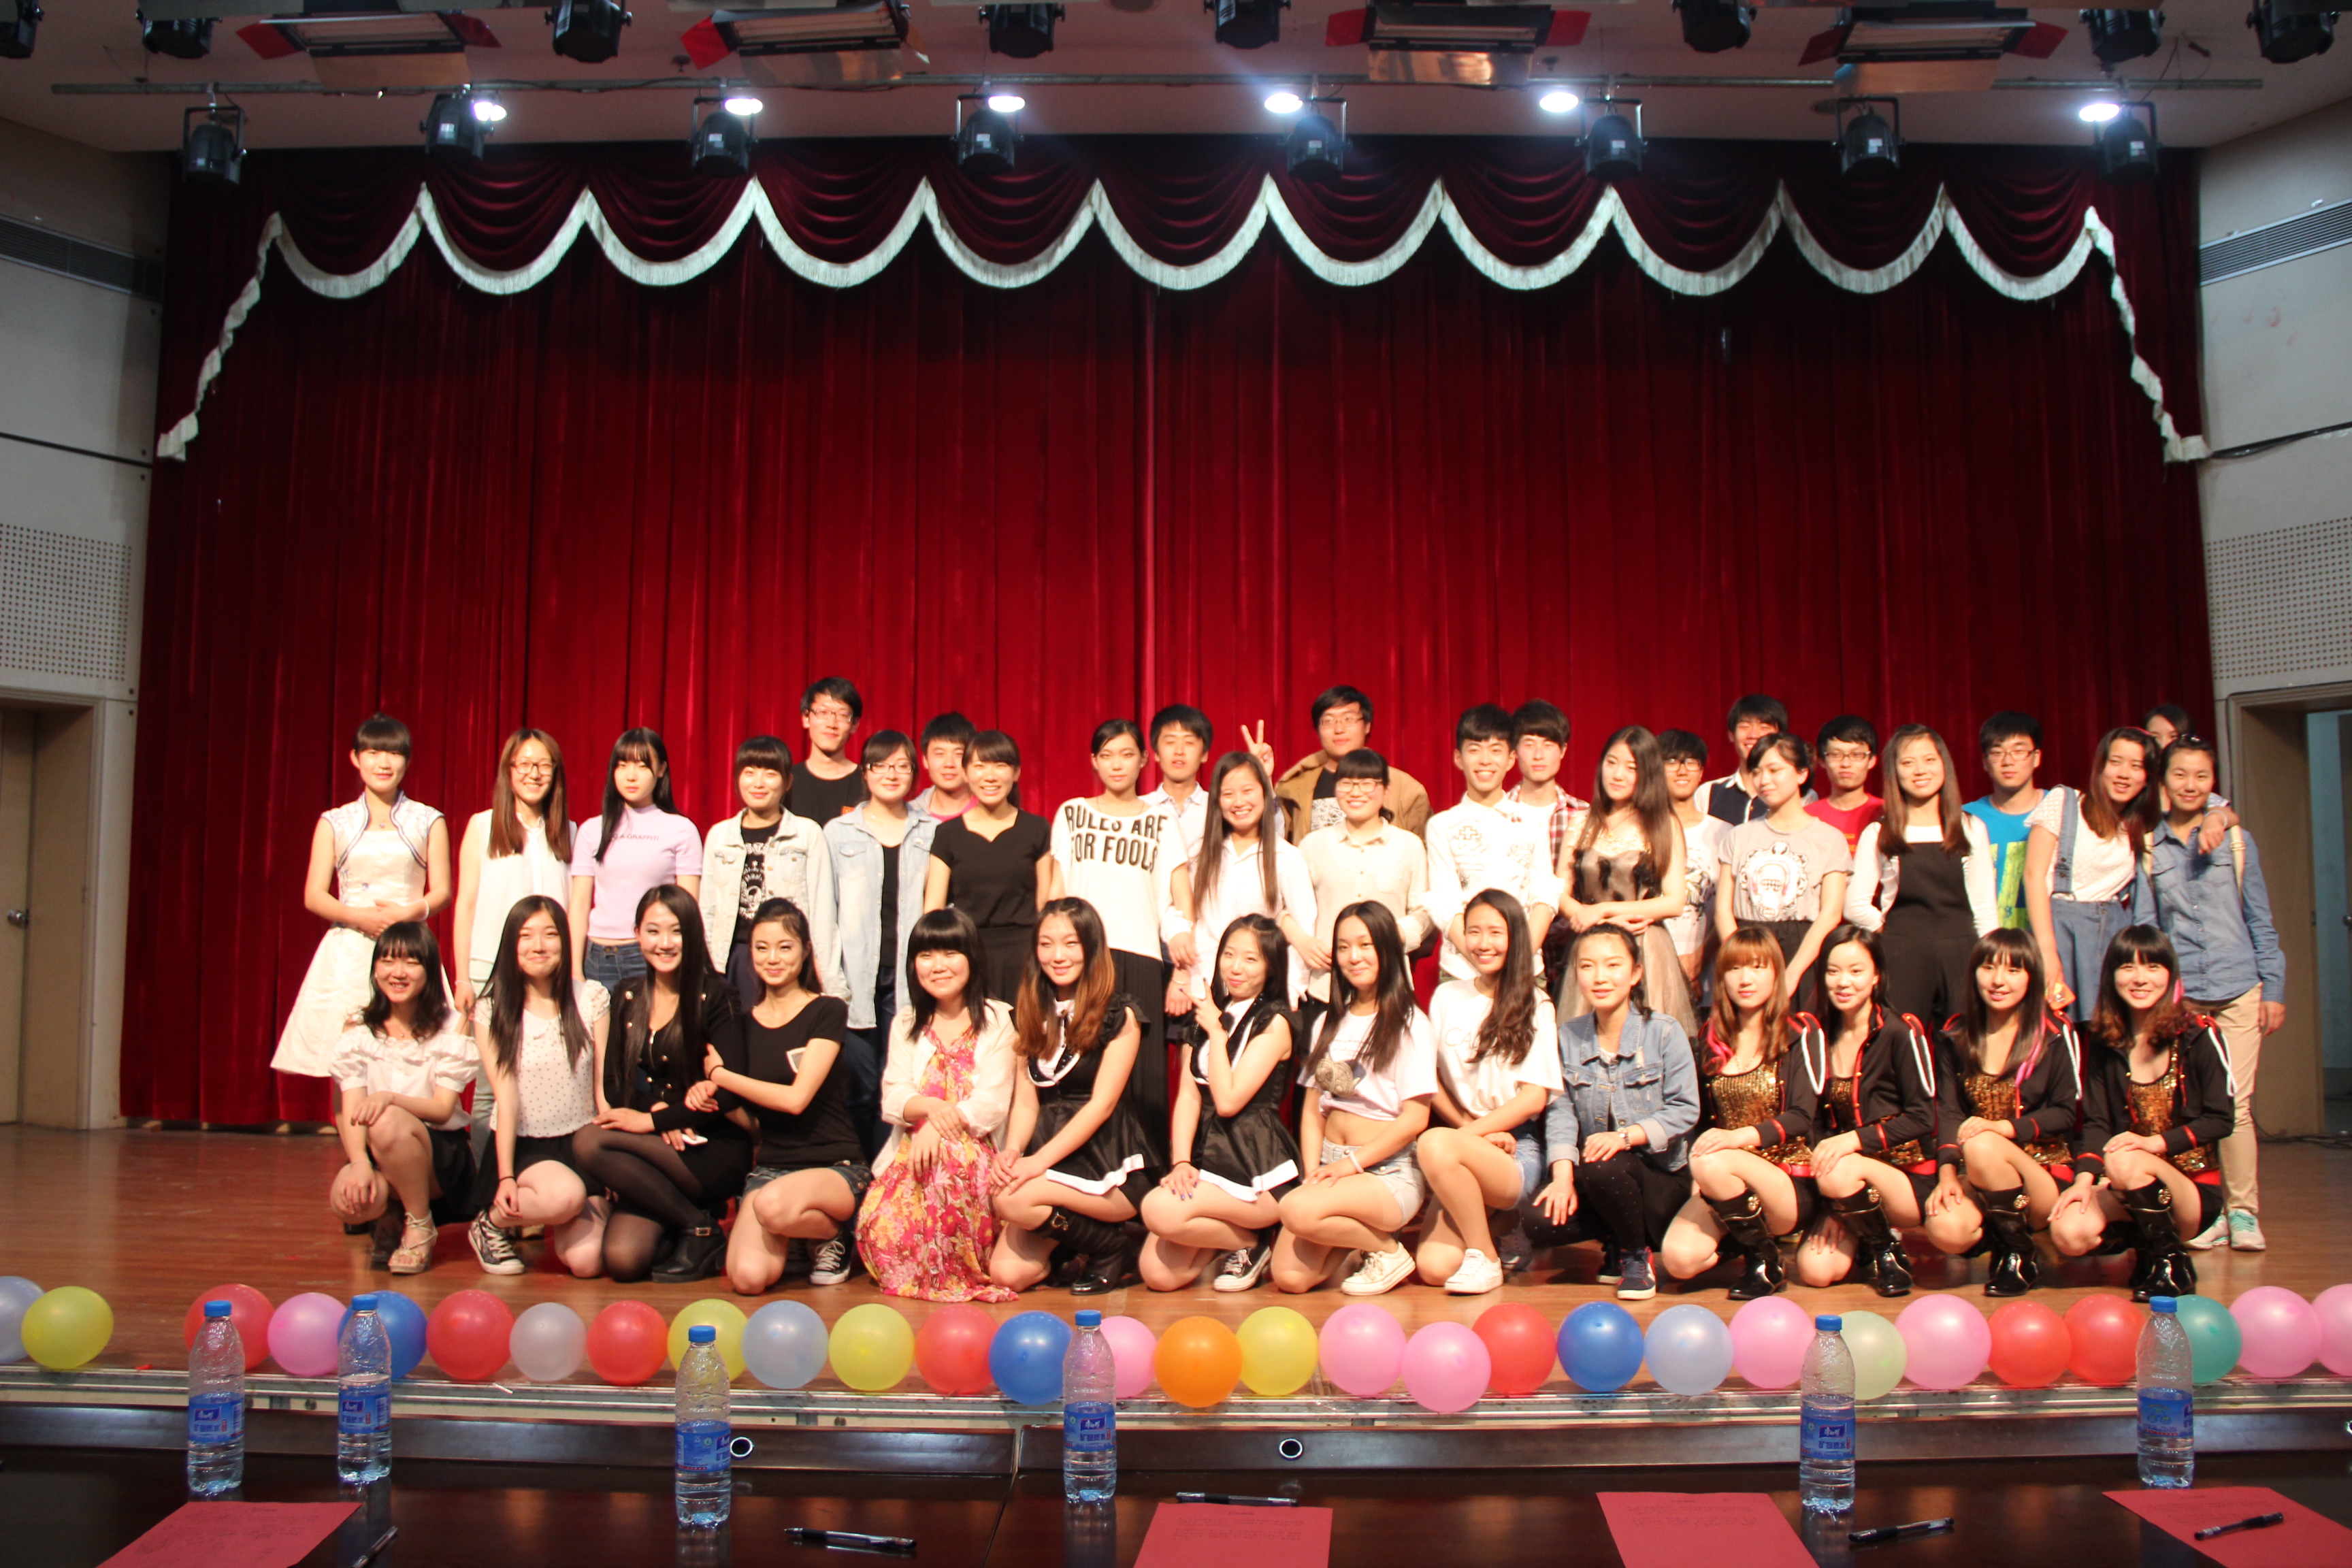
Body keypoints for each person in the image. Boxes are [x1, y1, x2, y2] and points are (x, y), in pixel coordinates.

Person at [2133, 734, 2285, 1254]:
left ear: (2213, 782)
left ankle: (2243, 1213)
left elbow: (2260, 920)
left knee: (2235, 1105)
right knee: (2189, 1109)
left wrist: (2274, 987)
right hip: (2183, 998)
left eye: (2201, 775)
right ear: (2163, 781)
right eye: (2180, 774)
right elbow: (2148, 928)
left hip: (2238, 988)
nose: (2190, 784)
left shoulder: (2237, 841)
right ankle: (2206, 1209)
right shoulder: (2149, 846)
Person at [572, 885, 751, 1284]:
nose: (664, 943)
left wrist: (654, 1121)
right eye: (653, 931)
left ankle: (696, 1225)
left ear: (693, 933)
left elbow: (729, 1093)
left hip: (710, 1148)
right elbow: (615, 1087)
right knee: (624, 1261)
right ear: (637, 934)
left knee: (590, 1141)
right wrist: (656, 1111)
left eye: (676, 931)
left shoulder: (717, 997)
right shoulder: (628, 994)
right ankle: (694, 1223)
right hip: (657, 1150)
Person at [2049, 926, 2236, 1301]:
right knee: (2069, 1232)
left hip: (2192, 1188)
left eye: (2152, 967)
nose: (2140, 978)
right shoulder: (2103, 1041)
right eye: (2128, 967)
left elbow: (2221, 1118)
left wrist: (2154, 1144)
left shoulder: (2199, 1034)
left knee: (2125, 1157)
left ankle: (2174, 1264)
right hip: (2124, 1178)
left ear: (2170, 974)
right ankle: (2149, 1253)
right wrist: (2083, 1182)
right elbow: (2098, 1124)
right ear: (2112, 976)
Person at [274, 715, 452, 1099]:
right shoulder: (335, 822)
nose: (383, 762)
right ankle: (354, 1140)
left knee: (411, 1051)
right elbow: (314, 895)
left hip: (407, 947)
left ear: (407, 760)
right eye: (373, 752)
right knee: (347, 1060)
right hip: (350, 950)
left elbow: (442, 892)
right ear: (356, 758)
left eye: (394, 753)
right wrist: (360, 918)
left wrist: (407, 913)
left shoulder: (428, 820)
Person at [987, 899, 1156, 1294]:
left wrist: (1037, 1163)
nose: (1057, 956)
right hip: (1049, 1166)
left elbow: (1102, 1105)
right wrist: (1013, 1152)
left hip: (1107, 1167)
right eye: (1046, 945)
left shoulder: (1120, 1014)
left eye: (1070, 943)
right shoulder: (1031, 1012)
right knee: (1007, 1275)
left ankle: (1112, 1247)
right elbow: (1026, 1102)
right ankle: (1080, 1243)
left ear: (1091, 948)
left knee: (1011, 1200)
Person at [1271, 902, 1439, 1297]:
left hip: (1386, 1173)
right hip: (1332, 1164)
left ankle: (1388, 1250)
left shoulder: (1411, 1023)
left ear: (1387, 949)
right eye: (1343, 947)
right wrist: (1312, 1171)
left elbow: (1416, 1119)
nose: (1353, 957)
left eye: (1365, 945)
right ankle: (1363, 1239)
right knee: (1291, 1278)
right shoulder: (1330, 1020)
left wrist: (1351, 1166)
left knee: (1295, 1209)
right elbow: (1312, 1108)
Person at [1531, 923, 1701, 1301]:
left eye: (1613, 965)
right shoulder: (1567, 1036)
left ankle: (1636, 1256)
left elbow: (1685, 1109)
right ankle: (1616, 1235)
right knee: (1536, 1222)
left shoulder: (1665, 1032)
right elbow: (1560, 1112)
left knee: (1604, 1164)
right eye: (1587, 966)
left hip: (1660, 1178)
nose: (1600, 977)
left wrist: (1625, 1137)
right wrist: (1562, 1176)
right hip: (1600, 1175)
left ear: (1635, 972)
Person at [858, 909, 1019, 1303]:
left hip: (975, 1149)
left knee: (949, 1159)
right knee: (879, 1230)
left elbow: (992, 1103)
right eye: (926, 955)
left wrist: (939, 1124)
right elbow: (894, 1096)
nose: (938, 966)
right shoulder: (907, 1022)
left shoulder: (999, 1019)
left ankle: (956, 1267)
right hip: (911, 1150)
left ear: (971, 958)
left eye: (950, 953)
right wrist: (930, 1109)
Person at [1659, 927, 1827, 1300]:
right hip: (1722, 1177)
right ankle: (1752, 1241)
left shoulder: (1800, 1032)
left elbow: (1802, 1117)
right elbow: (1701, 1120)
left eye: (1756, 967)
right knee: (1679, 1261)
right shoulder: (1710, 1037)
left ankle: (1763, 1262)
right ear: (1722, 979)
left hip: (1786, 1178)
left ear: (1776, 974)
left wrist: (1735, 1140)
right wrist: (1701, 1177)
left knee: (1712, 1158)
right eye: (1734, 969)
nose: (1745, 979)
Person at [709, 900, 865, 1294]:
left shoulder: (827, 1010)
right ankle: (800, 1233)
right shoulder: (742, 1024)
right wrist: (711, 1093)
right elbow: (750, 1118)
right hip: (772, 1168)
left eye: (785, 947)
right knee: (747, 1278)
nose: (773, 958)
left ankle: (832, 1234)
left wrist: (723, 1077)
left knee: (771, 1206)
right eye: (762, 948)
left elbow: (796, 1099)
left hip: (834, 1166)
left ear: (806, 950)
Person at [1139, 915, 1300, 1293]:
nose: (1236, 967)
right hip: (1207, 1159)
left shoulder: (1275, 1022)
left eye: (1251, 959)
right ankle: (1244, 1241)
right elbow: (1188, 1097)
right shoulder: (1209, 1012)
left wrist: (1216, 1031)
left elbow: (1227, 1101)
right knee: (1158, 1274)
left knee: (1158, 1209)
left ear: (1271, 966)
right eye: (1229, 954)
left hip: (1257, 1167)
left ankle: (1258, 1236)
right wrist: (1182, 1162)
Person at [1414, 889, 1561, 1294]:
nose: (1483, 943)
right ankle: (1505, 1227)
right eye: (1474, 931)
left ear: (1515, 937)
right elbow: (1430, 1079)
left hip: (1515, 1148)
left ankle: (1486, 1257)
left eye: (1496, 932)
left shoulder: (1536, 1002)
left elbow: (1533, 1098)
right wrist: (1471, 1132)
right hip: (1463, 1140)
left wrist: (1469, 1137)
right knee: (1434, 1268)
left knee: (1434, 1144)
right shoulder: (1447, 996)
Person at [1924, 929, 2082, 1297]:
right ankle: (2005, 1239)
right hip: (1978, 1169)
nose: (1998, 980)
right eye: (1989, 968)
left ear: (2032, 977)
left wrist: (2003, 1129)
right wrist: (1946, 1174)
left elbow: (2065, 1113)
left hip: (2042, 1170)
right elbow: (1948, 1112)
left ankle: (2019, 1255)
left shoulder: (2055, 1032)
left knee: (1982, 1143)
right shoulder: (1956, 1033)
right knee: (1946, 1227)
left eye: (2013, 970)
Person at [1791, 926, 1940, 1297]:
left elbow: (1923, 1117)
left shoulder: (1900, 1032)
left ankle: (1888, 1253)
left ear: (1876, 976)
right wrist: (1833, 1207)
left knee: (1839, 1168)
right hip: (1841, 1182)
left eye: (1856, 971)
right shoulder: (1816, 1035)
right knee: (1815, 1271)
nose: (1844, 982)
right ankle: (1866, 1235)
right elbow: (1813, 1122)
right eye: (1833, 971)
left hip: (1903, 1175)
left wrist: (1853, 1142)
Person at [470, 896, 612, 1278]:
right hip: (526, 1146)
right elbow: (506, 1097)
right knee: (565, 1196)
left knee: (587, 1263)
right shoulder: (491, 1010)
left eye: (550, 934)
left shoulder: (591, 998)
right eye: (526, 935)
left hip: (582, 1143)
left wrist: (612, 1161)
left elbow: (602, 1090)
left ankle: (556, 1211)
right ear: (511, 944)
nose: (538, 945)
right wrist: (505, 1176)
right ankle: (491, 1223)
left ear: (565, 941)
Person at [327, 922, 476, 1275]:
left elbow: (442, 1110)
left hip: (437, 1155)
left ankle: (420, 1225)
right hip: (380, 1149)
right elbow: (351, 1107)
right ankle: (392, 1213)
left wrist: (389, 1098)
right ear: (375, 968)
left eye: (411, 962)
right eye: (388, 961)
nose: (398, 972)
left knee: (386, 1120)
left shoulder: (452, 1025)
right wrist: (359, 1162)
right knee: (348, 1203)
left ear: (429, 969)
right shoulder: (358, 1028)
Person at [1051, 720, 1175, 1124]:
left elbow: (1178, 900)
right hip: (1082, 957)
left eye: (1126, 755)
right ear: (1094, 761)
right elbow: (1056, 893)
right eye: (1106, 756)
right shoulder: (1072, 813)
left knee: (1143, 1079)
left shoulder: (1162, 819)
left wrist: (1183, 969)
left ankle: (1145, 1162)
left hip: (1141, 956)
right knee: (1082, 1070)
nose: (1117, 764)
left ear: (1144, 759)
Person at [824, 730, 936, 1158]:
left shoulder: (932, 831)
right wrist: (831, 979)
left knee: (902, 1088)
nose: (892, 774)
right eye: (881, 765)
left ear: (914, 773)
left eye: (902, 766)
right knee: (860, 1088)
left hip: (912, 978)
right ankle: (856, 1177)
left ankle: (892, 1184)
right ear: (865, 772)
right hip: (855, 979)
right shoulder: (838, 833)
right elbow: (824, 911)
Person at [1844, 725, 1997, 1022]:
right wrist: (1893, 932)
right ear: (1895, 771)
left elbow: (1985, 909)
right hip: (1902, 956)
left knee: (1961, 1040)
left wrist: (1990, 962)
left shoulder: (1970, 827)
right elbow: (1854, 905)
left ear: (1944, 764)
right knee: (1902, 1037)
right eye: (1908, 762)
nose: (1920, 771)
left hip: (1963, 954)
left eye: (1929, 760)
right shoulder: (1880, 832)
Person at [1557, 725, 1693, 1037]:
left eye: (1631, 768)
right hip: (1591, 944)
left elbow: (1675, 902)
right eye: (1612, 763)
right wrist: (1592, 920)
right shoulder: (1581, 822)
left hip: (1643, 944)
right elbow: (1560, 893)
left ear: (1647, 774)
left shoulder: (1663, 824)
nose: (1618, 774)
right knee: (1586, 1043)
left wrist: (1605, 912)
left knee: (1647, 1042)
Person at [699, 734, 843, 1011]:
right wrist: (705, 973)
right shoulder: (719, 835)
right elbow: (708, 911)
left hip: (787, 960)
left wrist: (831, 985)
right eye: (750, 772)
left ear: (787, 782)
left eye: (770, 773)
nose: (758, 783)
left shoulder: (806, 833)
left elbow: (823, 913)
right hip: (733, 958)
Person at [2023, 727, 2156, 1022]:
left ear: (2147, 777)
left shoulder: (2142, 825)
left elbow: (2202, 804)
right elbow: (2033, 876)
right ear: (2101, 766)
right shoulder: (2066, 802)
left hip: (2113, 934)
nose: (2124, 774)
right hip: (2061, 931)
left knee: (2110, 1030)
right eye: (2116, 762)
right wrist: (2048, 953)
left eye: (2136, 766)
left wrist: (2221, 815)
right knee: (2057, 1027)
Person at [1425, 704, 1563, 985]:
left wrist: (1518, 960)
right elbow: (1444, 903)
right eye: (1475, 750)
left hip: (1524, 969)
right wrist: (1483, 960)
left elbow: (1544, 896)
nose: (1485, 760)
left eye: (1496, 750)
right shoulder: (1442, 825)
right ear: (1458, 758)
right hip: (1462, 971)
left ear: (1511, 759)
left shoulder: (1533, 821)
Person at [1296, 748, 1430, 1034]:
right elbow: (1286, 907)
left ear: (1386, 790)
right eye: (1347, 783)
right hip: (1325, 986)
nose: (1356, 792)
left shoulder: (1409, 846)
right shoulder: (1313, 845)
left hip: (1389, 985)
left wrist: (1393, 935)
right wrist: (1303, 941)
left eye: (1367, 783)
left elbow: (1424, 911)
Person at [1168, 751, 1318, 1006]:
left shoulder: (1286, 856)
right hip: (1201, 988)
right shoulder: (1199, 853)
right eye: (1228, 794)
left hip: (1261, 994)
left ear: (1264, 792)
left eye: (1248, 791)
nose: (1239, 802)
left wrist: (1290, 990)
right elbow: (1178, 911)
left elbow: (1304, 929)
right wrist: (1181, 960)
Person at [1714, 734, 1849, 1009]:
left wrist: (1793, 973)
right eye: (1757, 772)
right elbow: (1723, 910)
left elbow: (1830, 914)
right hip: (1747, 945)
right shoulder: (1738, 836)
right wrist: (1741, 961)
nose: (1764, 780)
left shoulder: (1830, 839)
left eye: (1775, 770)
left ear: (1802, 774)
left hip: (1802, 950)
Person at [451, 728, 572, 1018]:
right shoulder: (482, 827)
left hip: (551, 972)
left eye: (544, 765)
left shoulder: (571, 832)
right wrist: (463, 978)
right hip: (490, 970)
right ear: (509, 769)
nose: (535, 774)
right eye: (525, 764)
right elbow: (466, 906)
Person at [569, 728, 702, 992]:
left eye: (642, 766)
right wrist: (574, 970)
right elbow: (580, 904)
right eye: (622, 765)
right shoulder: (591, 829)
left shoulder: (681, 829)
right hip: (598, 957)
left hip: (650, 955)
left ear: (661, 769)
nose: (631, 776)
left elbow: (688, 907)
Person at [926, 731, 1055, 1002]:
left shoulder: (1037, 829)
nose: (990, 776)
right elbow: (933, 911)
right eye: (980, 766)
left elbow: (1045, 905)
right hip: (967, 957)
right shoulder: (948, 834)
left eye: (1000, 765)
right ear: (966, 773)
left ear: (1016, 772)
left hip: (1025, 958)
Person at [1275, 685, 1433, 844]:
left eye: (1349, 719)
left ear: (1367, 726)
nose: (1339, 729)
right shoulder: (1294, 788)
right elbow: (1276, 842)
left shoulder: (1407, 789)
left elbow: (1422, 849)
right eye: (1328, 721)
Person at [1659, 728, 1729, 1009]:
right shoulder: (1641, 830)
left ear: (1701, 772)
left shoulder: (1724, 833)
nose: (1682, 770)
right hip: (1653, 965)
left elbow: (1728, 908)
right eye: (1672, 761)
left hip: (1708, 973)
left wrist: (1698, 960)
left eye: (1691, 762)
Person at [1963, 712, 2046, 931]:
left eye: (2019, 752)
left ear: (2036, 757)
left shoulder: (2060, 811)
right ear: (1985, 761)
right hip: (1984, 941)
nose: (2008, 761)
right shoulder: (1966, 819)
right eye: (1997, 753)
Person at [1503, 700, 1590, 872]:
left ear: (1563, 750)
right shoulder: (1498, 812)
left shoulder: (1584, 815)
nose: (1538, 755)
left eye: (1548, 745)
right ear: (1515, 750)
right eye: (1529, 745)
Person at [1141, 704, 1215, 872]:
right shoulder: (1139, 808)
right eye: (1170, 742)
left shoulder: (1218, 807)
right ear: (1156, 753)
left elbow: (1267, 834)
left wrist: (1264, 780)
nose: (1179, 751)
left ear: (1204, 754)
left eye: (1189, 742)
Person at [1700, 695, 1793, 825]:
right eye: (1745, 726)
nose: (1754, 735)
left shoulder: (1798, 794)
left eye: (1765, 727)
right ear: (1731, 735)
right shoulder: (1708, 792)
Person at [793, 678, 868, 823]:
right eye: (823, 713)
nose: (831, 724)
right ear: (806, 718)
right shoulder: (786, 782)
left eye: (842, 715)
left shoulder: (868, 783)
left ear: (855, 724)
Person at [1807, 716, 1884, 851]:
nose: (1846, 764)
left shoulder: (1887, 813)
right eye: (1836, 755)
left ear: (1872, 760)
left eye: (1857, 755)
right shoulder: (1807, 817)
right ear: (1822, 761)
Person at [910, 712, 977, 820]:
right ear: (925, 760)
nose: (949, 764)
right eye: (940, 754)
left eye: (959, 754)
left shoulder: (993, 812)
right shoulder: (909, 816)